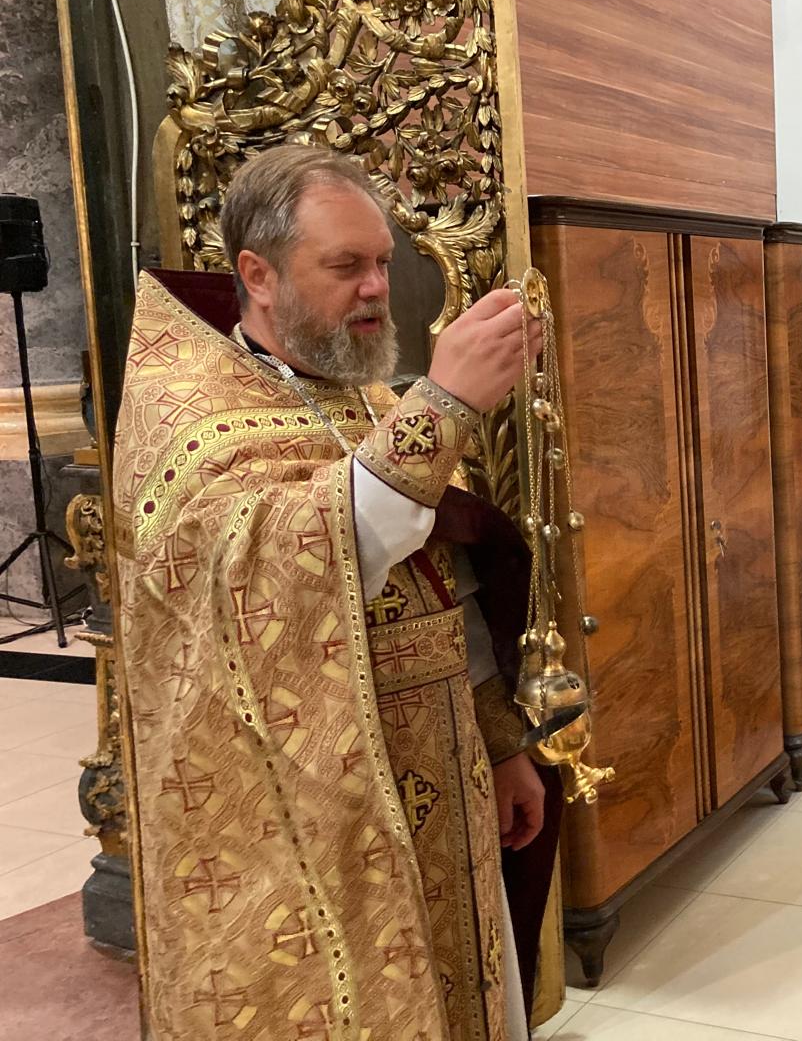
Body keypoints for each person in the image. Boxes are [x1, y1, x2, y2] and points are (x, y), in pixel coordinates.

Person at [113, 144, 561, 1040]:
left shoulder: (358, 395)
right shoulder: (183, 409)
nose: (376, 289)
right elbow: (279, 567)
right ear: (259, 274)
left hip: (441, 770)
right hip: (308, 812)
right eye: (346, 265)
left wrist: (500, 742)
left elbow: (440, 578)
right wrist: (443, 408)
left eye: (383, 262)